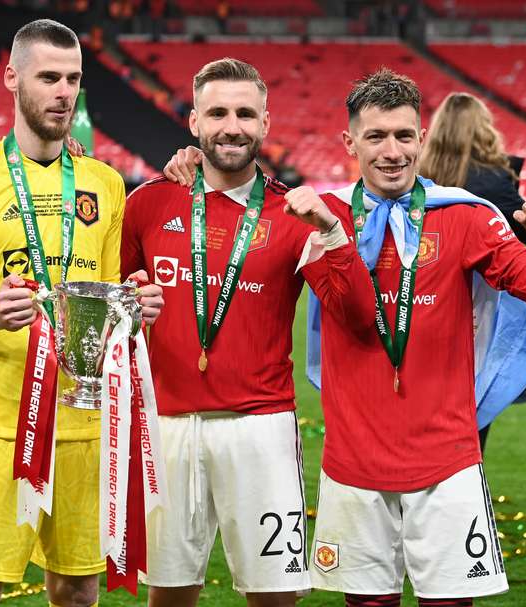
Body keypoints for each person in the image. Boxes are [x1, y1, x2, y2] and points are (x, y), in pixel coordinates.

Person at [0, 19, 163, 607]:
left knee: (78, 586)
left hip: (84, 421)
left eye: (73, 79)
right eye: (49, 77)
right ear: (12, 77)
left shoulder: (104, 183)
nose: (63, 91)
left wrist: (135, 306)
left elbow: (105, 298)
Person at [309, 69, 526, 607]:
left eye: (404, 136)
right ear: (350, 142)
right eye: (376, 136)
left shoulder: (467, 217)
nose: (391, 151)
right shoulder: (326, 216)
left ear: (421, 139)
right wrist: (185, 165)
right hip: (354, 458)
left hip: (447, 458)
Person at [120, 58, 375, 607]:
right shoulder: (147, 204)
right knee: (167, 594)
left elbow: (357, 316)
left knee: (275, 598)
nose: (230, 126)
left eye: (244, 113)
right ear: (193, 123)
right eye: (216, 113)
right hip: (165, 428)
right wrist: (130, 305)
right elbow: (111, 304)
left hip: (260, 429)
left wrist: (331, 232)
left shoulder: (295, 213)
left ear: (265, 123)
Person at [419, 92, 526, 451]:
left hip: (422, 306)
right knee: (473, 418)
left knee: (421, 412)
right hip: (484, 316)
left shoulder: (416, 176)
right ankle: (465, 495)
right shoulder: (493, 179)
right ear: (483, 130)